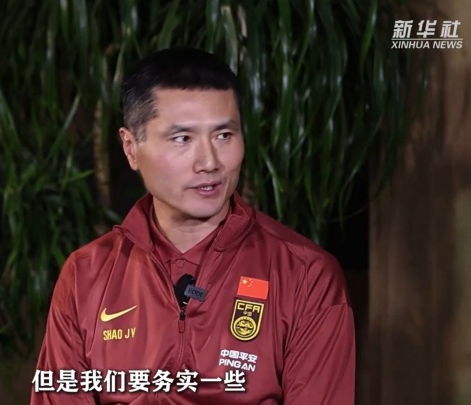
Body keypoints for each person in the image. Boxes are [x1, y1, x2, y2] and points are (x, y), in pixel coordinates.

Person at [31, 47, 355, 404]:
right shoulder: (86, 274)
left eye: (224, 135)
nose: (210, 162)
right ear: (130, 148)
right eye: (183, 138)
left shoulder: (305, 274)